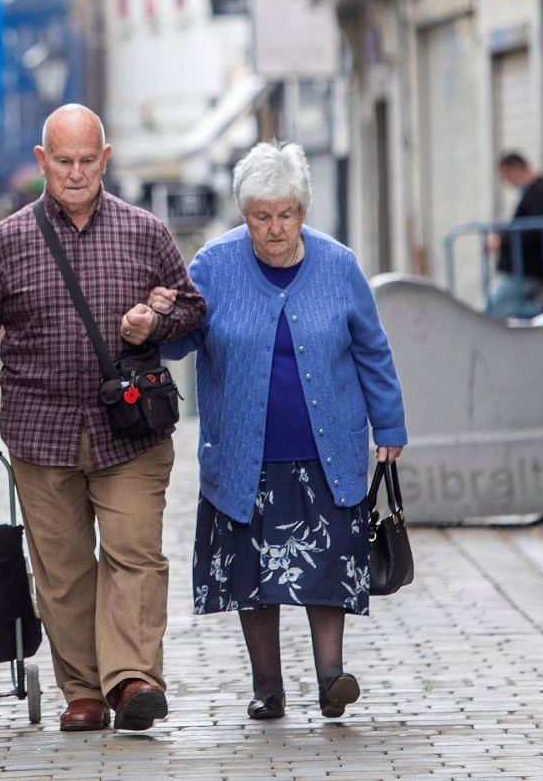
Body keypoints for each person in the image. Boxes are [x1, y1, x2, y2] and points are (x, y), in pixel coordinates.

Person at [0, 104, 206, 733]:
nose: (77, 171)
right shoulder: (7, 241)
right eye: (64, 160)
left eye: (89, 160)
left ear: (106, 159)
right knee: (62, 571)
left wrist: (157, 321)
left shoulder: (144, 231)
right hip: (42, 432)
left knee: (135, 555)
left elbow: (194, 309)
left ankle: (132, 681)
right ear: (42, 162)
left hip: (132, 434)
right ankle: (84, 691)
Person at [157, 141, 407, 721]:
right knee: (253, 576)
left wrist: (389, 423)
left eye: (286, 214)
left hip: (327, 451)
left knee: (325, 571)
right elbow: (177, 345)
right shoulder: (213, 267)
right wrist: (162, 317)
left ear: (303, 211)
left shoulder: (339, 265)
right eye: (261, 216)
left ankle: (331, 677)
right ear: (245, 215)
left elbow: (373, 350)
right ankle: (267, 686)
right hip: (245, 454)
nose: (274, 229)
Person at [486, 151, 543, 319]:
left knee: (493, 310)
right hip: (521, 268)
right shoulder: (533, 193)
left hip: (525, 269)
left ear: (516, 169)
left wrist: (502, 240)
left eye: (506, 176)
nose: (507, 182)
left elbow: (531, 233)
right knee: (498, 310)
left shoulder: (540, 193)